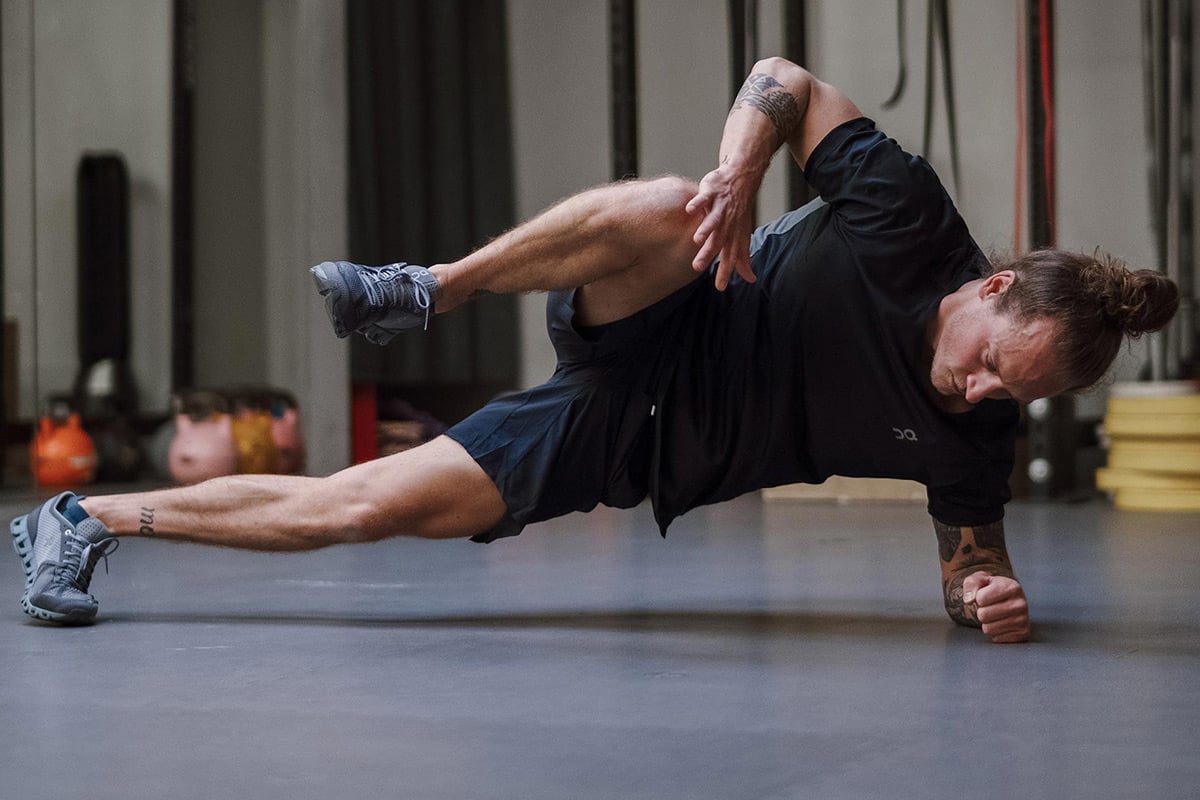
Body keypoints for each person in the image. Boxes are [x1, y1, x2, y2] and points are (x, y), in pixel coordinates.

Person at [10, 58, 1178, 642]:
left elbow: (965, 554)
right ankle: (428, 287)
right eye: (986, 359)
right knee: (680, 202)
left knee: (358, 504)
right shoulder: (909, 218)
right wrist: (744, 175)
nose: (972, 390)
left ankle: (83, 519)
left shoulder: (978, 428)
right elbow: (779, 78)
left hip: (634, 430)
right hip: (673, 307)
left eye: (1001, 395)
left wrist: (981, 589)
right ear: (988, 286)